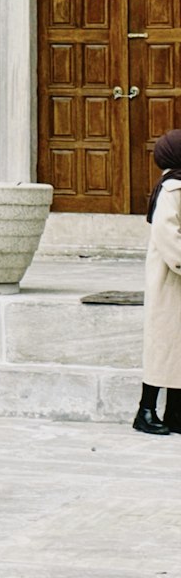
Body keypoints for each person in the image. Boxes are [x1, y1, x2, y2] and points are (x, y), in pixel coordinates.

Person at [132, 129, 181, 436]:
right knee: (162, 346)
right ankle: (145, 411)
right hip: (169, 281)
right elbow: (167, 235)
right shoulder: (173, 187)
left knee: (177, 349)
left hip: (175, 280)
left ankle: (174, 413)